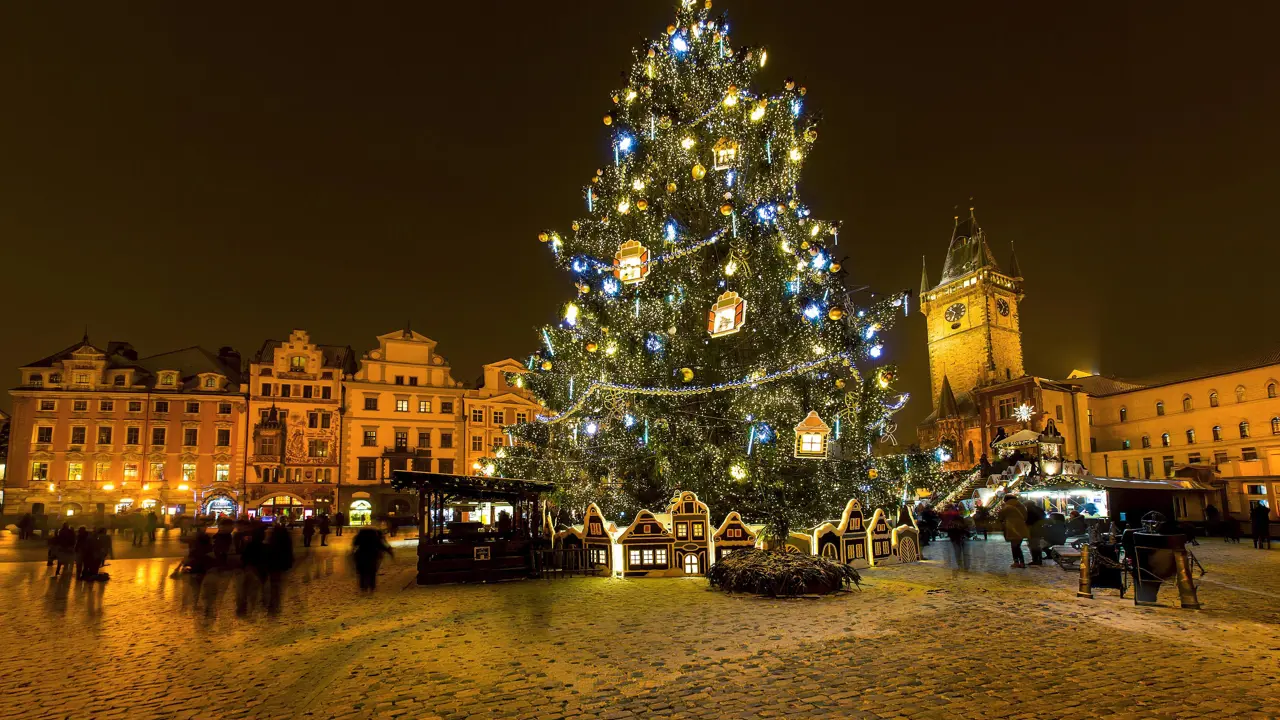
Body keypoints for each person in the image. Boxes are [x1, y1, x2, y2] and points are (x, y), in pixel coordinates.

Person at [351, 527, 393, 592]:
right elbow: (382, 546)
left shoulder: (359, 537)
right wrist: (390, 552)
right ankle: (371, 586)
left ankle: (363, 586)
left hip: (361, 556)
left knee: (362, 572)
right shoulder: (375, 538)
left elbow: (354, 545)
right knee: (372, 572)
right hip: (372, 556)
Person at [265, 524, 294, 613]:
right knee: (277, 584)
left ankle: (271, 601)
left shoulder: (272, 541)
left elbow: (267, 552)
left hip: (272, 564)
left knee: (273, 583)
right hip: (281, 564)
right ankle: (275, 601)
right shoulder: (286, 541)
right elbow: (289, 553)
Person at [997, 495, 1029, 569]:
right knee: (1017, 545)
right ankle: (1021, 562)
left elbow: (1000, 515)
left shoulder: (1007, 506)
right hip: (1021, 526)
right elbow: (1025, 516)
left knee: (1014, 546)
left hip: (1011, 526)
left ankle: (1017, 562)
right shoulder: (1021, 505)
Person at [939, 503, 969, 572]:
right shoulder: (955, 514)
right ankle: (962, 565)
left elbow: (945, 524)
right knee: (959, 550)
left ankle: (961, 565)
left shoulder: (951, 515)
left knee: (958, 550)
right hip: (957, 534)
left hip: (956, 534)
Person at [1023, 499, 1046, 566]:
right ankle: (1039, 559)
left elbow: (1028, 520)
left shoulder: (1029, 511)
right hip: (1040, 528)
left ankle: (1035, 560)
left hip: (1032, 529)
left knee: (1033, 545)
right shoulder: (1039, 509)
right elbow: (1044, 517)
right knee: (1037, 544)